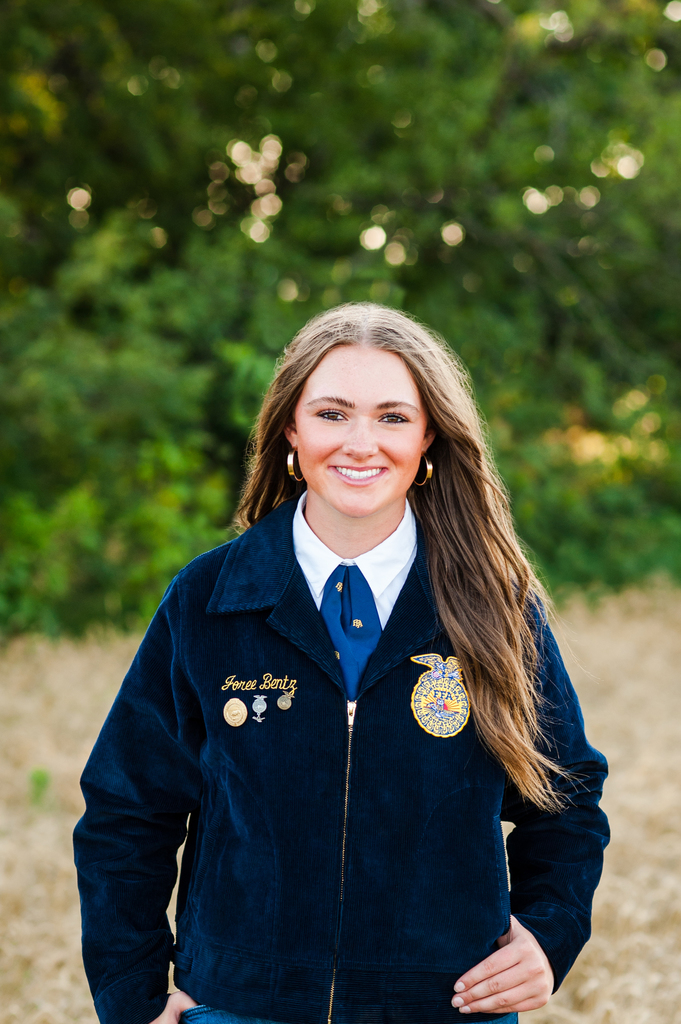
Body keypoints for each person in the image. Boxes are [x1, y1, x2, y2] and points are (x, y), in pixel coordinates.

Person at [74, 303, 609, 1024]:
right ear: (290, 430)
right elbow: (125, 813)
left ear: (429, 440)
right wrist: (133, 996)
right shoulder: (207, 600)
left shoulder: (495, 607)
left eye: (392, 417)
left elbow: (566, 798)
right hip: (239, 1006)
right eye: (332, 413)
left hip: (441, 1007)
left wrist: (549, 935)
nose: (362, 443)